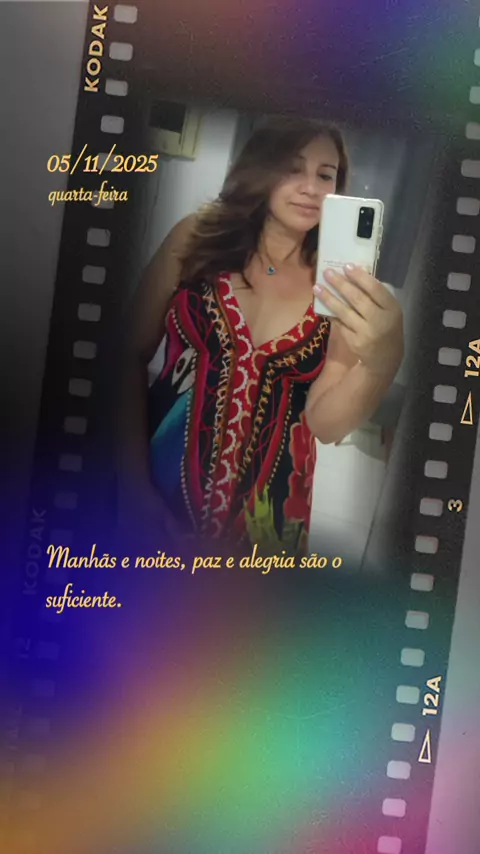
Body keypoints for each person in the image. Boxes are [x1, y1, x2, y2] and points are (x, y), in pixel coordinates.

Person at [117, 117, 403, 556]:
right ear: (261, 167)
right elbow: (126, 353)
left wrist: (381, 364)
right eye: (293, 168)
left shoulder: (338, 284)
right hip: (153, 491)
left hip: (266, 531)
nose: (311, 187)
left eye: (325, 175)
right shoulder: (195, 239)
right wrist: (134, 488)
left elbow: (324, 424)